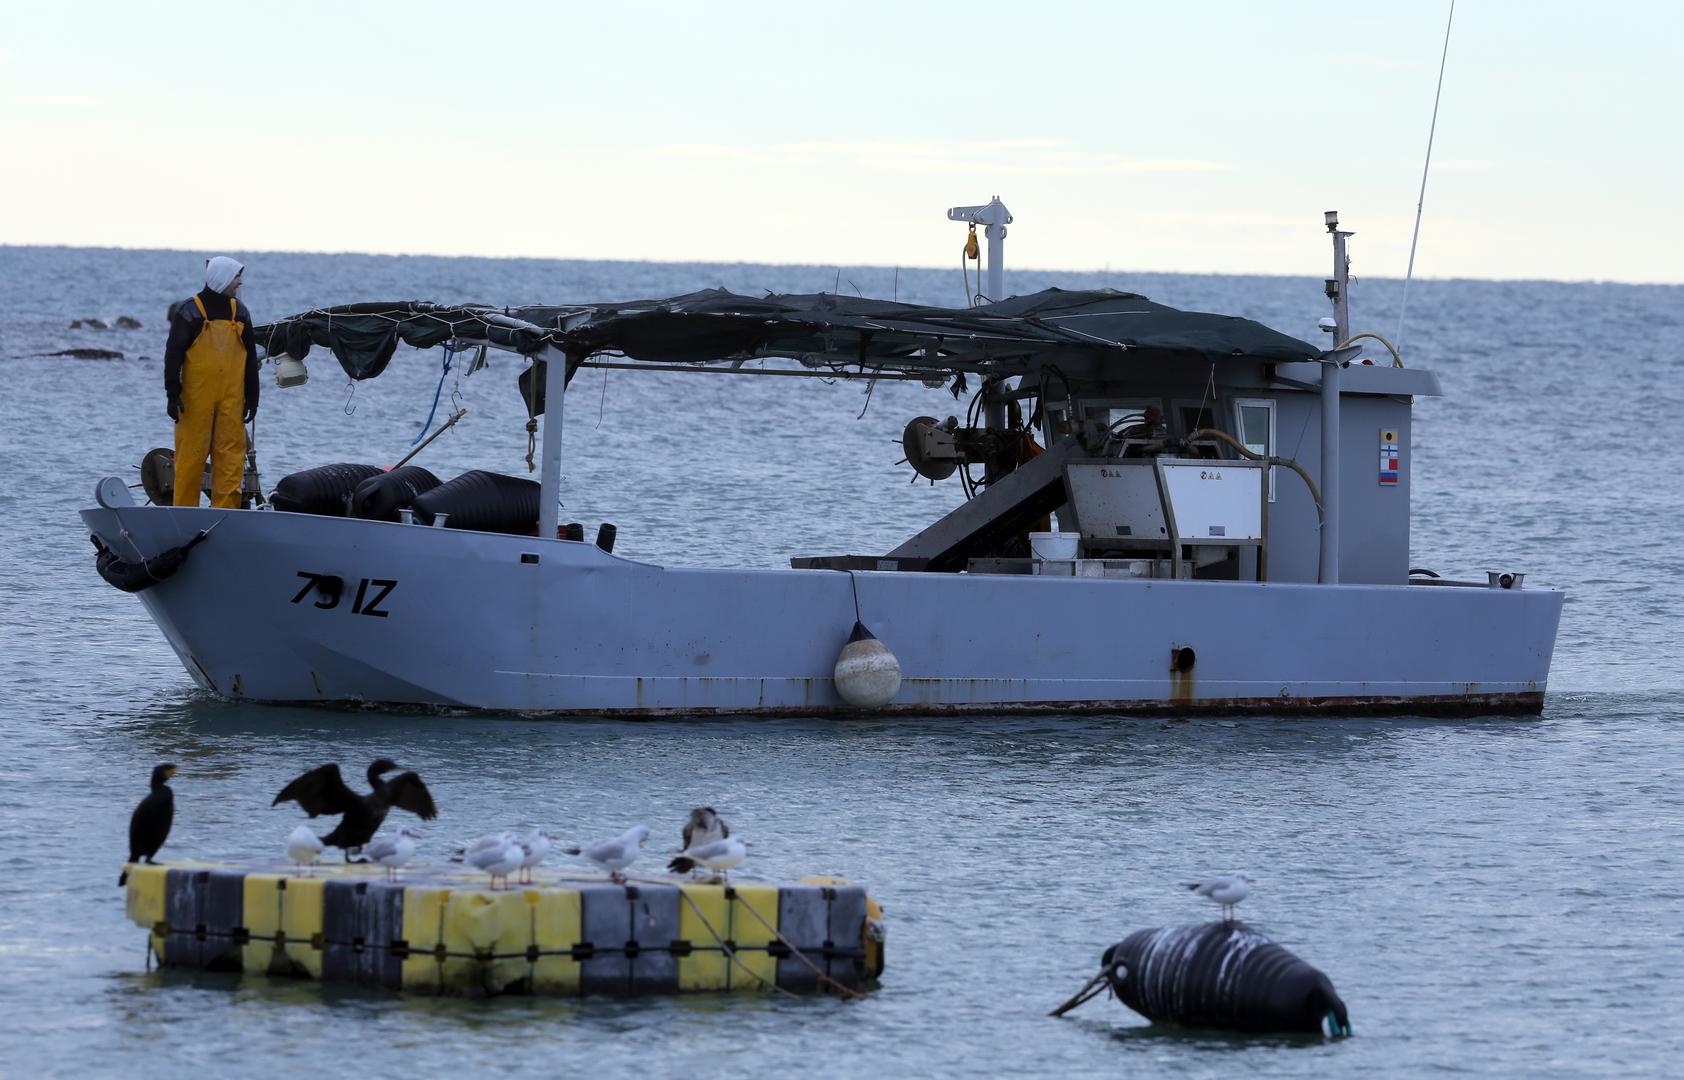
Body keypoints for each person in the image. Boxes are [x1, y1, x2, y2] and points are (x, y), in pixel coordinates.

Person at [164, 256, 258, 507]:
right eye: (236, 276)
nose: (240, 282)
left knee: (230, 461)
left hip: (232, 399)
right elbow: (172, 356)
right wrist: (172, 395)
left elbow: (249, 360)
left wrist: (253, 398)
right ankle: (184, 514)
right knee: (190, 460)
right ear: (223, 277)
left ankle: (224, 515)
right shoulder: (190, 311)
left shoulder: (241, 312)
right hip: (193, 401)